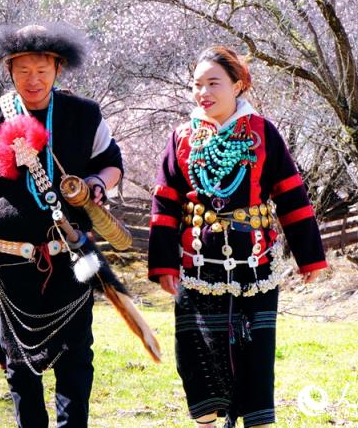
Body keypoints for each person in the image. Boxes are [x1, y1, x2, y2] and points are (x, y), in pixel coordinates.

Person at [0, 22, 123, 427]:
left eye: (43, 70)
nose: (34, 80)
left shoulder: (84, 115)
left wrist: (96, 185)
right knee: (19, 365)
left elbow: (111, 163)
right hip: (10, 264)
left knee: (76, 361)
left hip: (72, 258)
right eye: (23, 70)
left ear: (58, 68)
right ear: (9, 69)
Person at [148, 46, 326, 428]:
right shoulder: (181, 137)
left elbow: (291, 195)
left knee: (254, 360)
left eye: (213, 83)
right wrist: (163, 265)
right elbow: (164, 201)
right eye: (197, 84)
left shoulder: (263, 133)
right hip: (198, 269)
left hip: (254, 269)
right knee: (196, 358)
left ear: (238, 85)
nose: (203, 92)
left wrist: (309, 256)